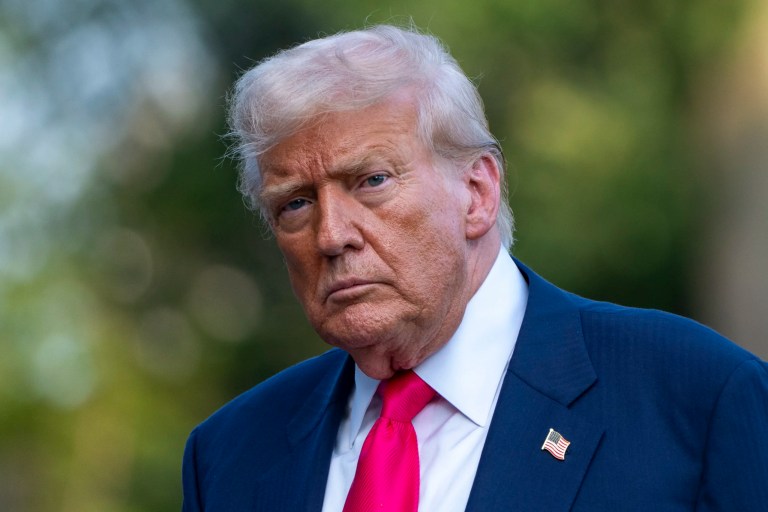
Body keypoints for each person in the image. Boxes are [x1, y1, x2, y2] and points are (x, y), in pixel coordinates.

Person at [181, 25, 768, 511]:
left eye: (372, 181)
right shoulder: (229, 456)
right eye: (295, 204)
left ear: (478, 192)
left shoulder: (696, 398)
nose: (331, 235)